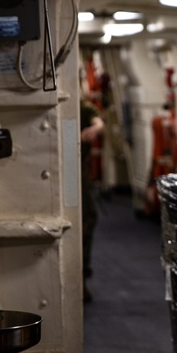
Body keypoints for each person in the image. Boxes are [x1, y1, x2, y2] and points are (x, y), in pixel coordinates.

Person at [80, 97, 105, 301]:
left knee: (88, 218)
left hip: (78, 169)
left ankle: (80, 278)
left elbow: (97, 120)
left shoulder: (79, 105)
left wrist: (96, 127)